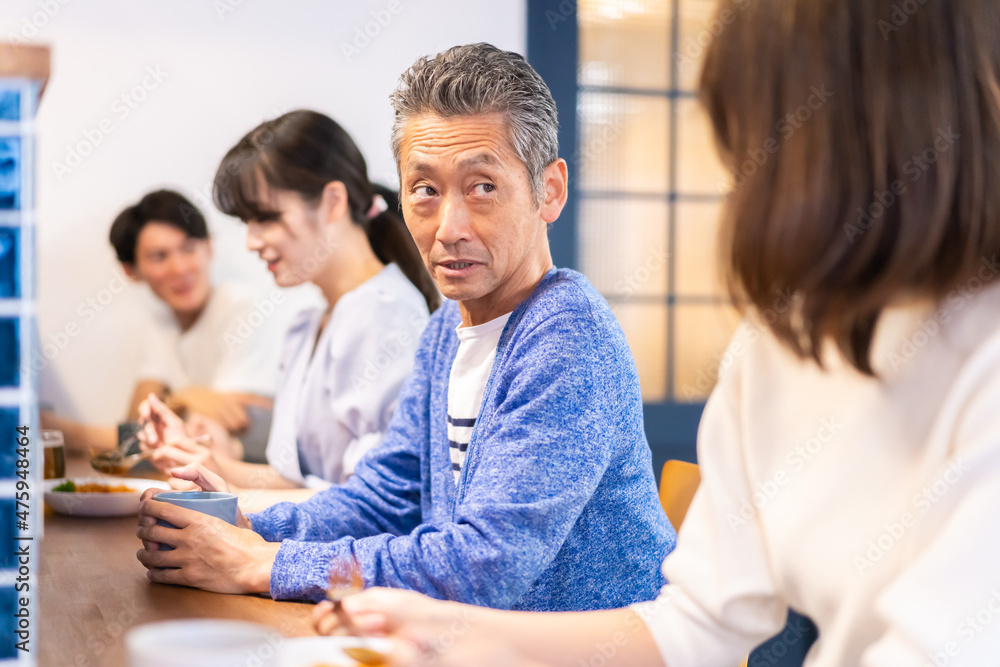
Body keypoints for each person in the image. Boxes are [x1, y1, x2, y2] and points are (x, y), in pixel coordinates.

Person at [311, 2, 1000, 665]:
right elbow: (698, 623)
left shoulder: (980, 355)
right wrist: (457, 632)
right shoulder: (772, 347)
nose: (750, 181)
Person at [135, 43, 675, 611]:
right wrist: (253, 523)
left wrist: (261, 561)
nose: (449, 227)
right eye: (425, 190)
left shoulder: (565, 337)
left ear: (550, 191)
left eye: (482, 187)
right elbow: (386, 499)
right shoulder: (447, 328)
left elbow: (485, 565)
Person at [140, 111, 437, 506]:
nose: (252, 241)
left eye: (266, 218)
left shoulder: (385, 314)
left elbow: (375, 505)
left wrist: (236, 498)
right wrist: (206, 461)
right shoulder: (309, 324)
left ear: (333, 202)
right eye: (247, 221)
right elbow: (299, 481)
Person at [42, 189, 281, 455]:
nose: (179, 268)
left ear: (209, 248)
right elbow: (137, 427)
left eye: (188, 249)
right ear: (130, 271)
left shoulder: (243, 307)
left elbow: (230, 422)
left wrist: (68, 433)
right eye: (159, 256)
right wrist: (187, 398)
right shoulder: (164, 325)